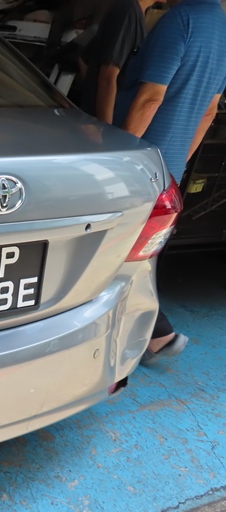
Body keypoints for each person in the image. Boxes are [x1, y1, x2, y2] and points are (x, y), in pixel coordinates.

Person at [113, 0, 226, 365]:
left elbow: (151, 98)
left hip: (139, 159)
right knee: (141, 252)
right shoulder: (222, 28)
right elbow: (209, 112)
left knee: (117, 252)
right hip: (168, 164)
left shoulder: (183, 19)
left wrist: (119, 158)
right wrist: (177, 162)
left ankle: (156, 332)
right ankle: (154, 334)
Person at [78, 0, 162, 124]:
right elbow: (107, 76)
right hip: (102, 125)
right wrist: (104, 127)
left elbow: (85, 58)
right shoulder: (127, 11)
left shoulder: (136, 14)